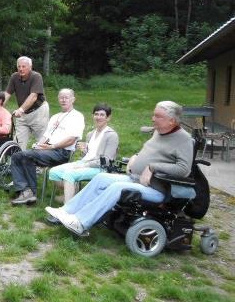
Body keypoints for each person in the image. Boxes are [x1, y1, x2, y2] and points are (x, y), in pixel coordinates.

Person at [46, 101, 193, 236]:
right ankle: (66, 211)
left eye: (158, 116)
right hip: (135, 179)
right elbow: (151, 152)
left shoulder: (184, 139)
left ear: (172, 121)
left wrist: (153, 167)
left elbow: (184, 169)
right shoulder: (158, 131)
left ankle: (81, 222)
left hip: (156, 189)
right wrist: (136, 157)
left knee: (117, 187)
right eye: (154, 114)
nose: (153, 119)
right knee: (100, 178)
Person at [10, 88, 85, 206]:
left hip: (62, 152)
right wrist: (39, 145)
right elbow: (46, 135)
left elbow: (71, 139)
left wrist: (52, 146)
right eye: (61, 97)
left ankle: (28, 192)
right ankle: (26, 191)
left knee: (25, 156)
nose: (63, 100)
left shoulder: (77, 117)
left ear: (73, 99)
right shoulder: (55, 116)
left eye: (67, 97)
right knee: (18, 156)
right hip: (48, 150)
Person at [48, 103, 119, 202]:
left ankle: (68, 207)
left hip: (100, 168)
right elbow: (87, 155)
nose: (98, 117)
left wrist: (85, 165)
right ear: (93, 116)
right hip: (85, 163)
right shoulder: (90, 134)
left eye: (102, 115)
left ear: (108, 118)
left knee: (69, 175)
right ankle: (74, 195)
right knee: (54, 172)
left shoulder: (111, 135)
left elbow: (107, 161)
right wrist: (84, 151)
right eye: (96, 114)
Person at [4, 56, 49, 149]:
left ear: (30, 67)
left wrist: (21, 110)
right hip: (23, 114)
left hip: (38, 112)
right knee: (18, 143)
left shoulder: (36, 76)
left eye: (24, 66)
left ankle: (46, 162)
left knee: (42, 141)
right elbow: (7, 94)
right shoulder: (14, 77)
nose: (21, 69)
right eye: (19, 66)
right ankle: (18, 161)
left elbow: (33, 96)